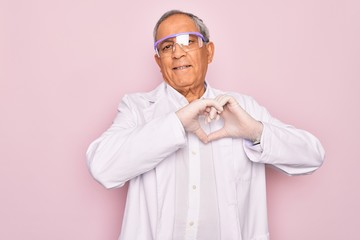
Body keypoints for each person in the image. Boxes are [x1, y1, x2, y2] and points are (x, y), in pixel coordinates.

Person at [86, 10, 325, 240]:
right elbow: (102, 166)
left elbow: (312, 155)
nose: (177, 53)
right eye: (167, 47)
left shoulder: (242, 107)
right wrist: (177, 122)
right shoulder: (137, 108)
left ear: (209, 52)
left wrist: (255, 132)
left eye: (187, 41)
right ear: (159, 62)